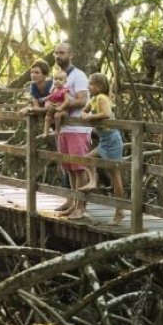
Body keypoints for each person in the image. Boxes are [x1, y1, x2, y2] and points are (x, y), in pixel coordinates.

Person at [51, 42, 92, 219]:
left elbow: (83, 100)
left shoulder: (79, 75)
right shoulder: (58, 76)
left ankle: (81, 206)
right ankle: (71, 202)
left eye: (62, 53)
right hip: (63, 129)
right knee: (68, 168)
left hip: (77, 128)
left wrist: (63, 106)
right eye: (56, 53)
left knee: (79, 168)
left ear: (71, 55)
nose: (58, 56)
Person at [82, 72, 125, 225]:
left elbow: (106, 114)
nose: (88, 86)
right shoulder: (93, 99)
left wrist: (89, 118)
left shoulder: (102, 98)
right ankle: (93, 181)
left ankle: (119, 211)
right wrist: (84, 113)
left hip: (112, 140)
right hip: (104, 140)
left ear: (99, 86)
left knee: (114, 175)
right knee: (88, 159)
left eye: (91, 84)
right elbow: (85, 110)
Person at [41, 70, 70, 136]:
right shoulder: (54, 89)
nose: (57, 81)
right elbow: (51, 96)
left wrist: (61, 107)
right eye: (55, 79)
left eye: (60, 79)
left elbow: (67, 101)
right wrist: (45, 99)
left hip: (63, 110)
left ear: (65, 81)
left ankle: (57, 131)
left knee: (57, 116)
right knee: (47, 117)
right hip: (54, 107)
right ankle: (46, 131)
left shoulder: (64, 90)